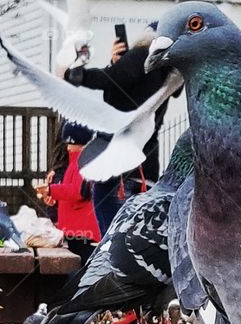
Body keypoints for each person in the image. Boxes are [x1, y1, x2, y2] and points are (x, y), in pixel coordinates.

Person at [64, 24, 176, 234]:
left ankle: (109, 258)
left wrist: (77, 75)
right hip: (146, 161)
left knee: (111, 225)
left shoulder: (142, 54)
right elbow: (122, 89)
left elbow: (111, 82)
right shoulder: (166, 73)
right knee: (135, 230)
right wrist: (116, 65)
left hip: (118, 160)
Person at [36, 121, 100, 266]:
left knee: (81, 265)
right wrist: (54, 198)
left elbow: (78, 192)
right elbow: (69, 191)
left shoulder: (84, 161)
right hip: (74, 230)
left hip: (83, 231)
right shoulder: (74, 162)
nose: (68, 147)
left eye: (71, 143)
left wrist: (51, 190)